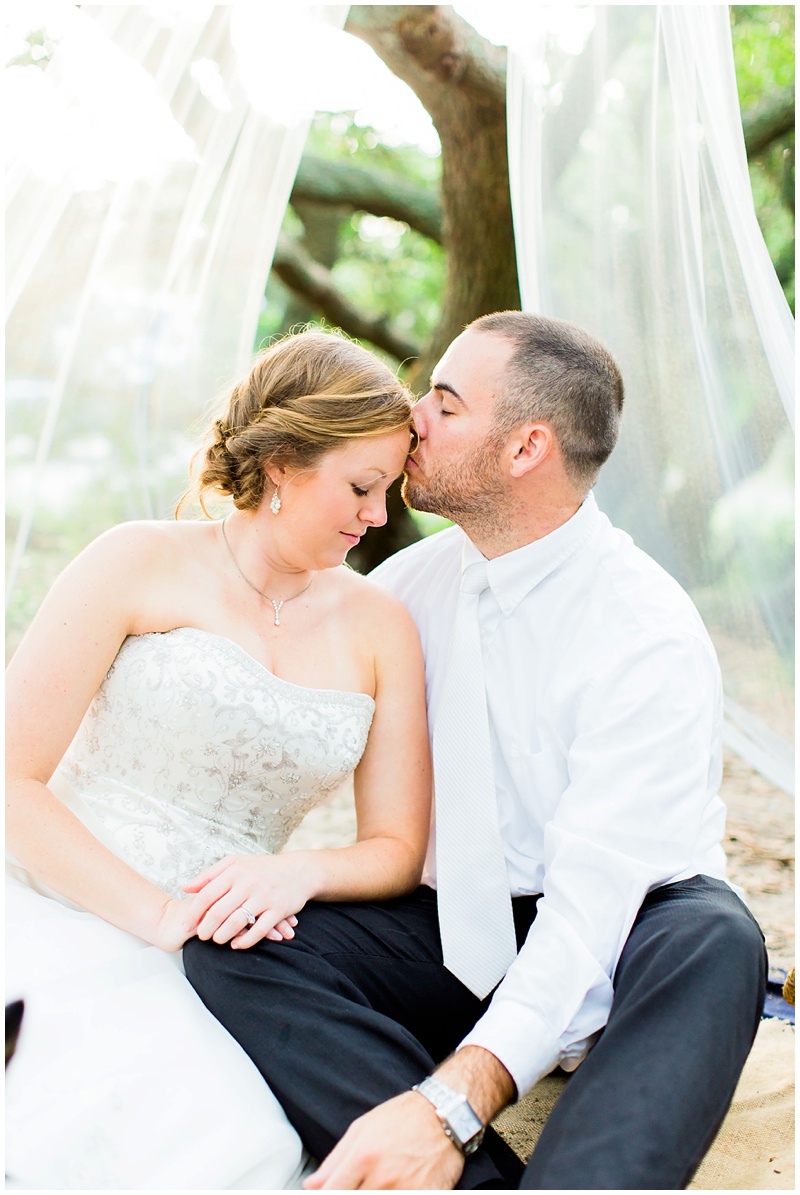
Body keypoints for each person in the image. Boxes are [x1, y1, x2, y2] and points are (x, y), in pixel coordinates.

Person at [184, 311, 768, 1191]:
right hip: (455, 928)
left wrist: (458, 1094)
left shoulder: (645, 630)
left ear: (526, 447)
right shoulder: (401, 592)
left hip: (623, 927)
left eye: (445, 404)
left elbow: (591, 904)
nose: (412, 415)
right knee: (235, 944)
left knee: (719, 938)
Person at [5, 330, 432, 1190]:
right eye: (360, 485)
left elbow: (396, 848)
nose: (379, 516)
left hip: (236, 946)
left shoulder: (381, 625)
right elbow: (10, 779)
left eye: (389, 490)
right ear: (280, 461)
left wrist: (299, 873)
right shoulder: (135, 560)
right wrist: (157, 915)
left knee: (238, 1140)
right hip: (63, 895)